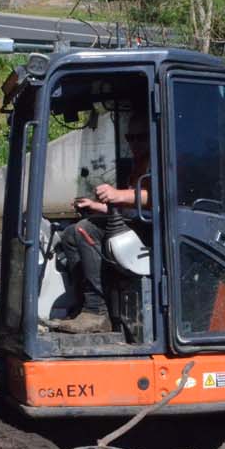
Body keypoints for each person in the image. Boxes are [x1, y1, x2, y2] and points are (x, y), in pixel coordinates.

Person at [49, 111, 150, 334]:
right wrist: (98, 206)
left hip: (153, 232)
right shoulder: (138, 164)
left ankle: (97, 312)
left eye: (140, 137)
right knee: (71, 234)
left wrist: (117, 195)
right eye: (129, 138)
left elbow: (151, 197)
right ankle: (85, 305)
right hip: (135, 223)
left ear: (151, 136)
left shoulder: (158, 160)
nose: (134, 143)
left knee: (86, 230)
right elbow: (132, 206)